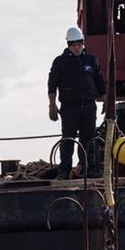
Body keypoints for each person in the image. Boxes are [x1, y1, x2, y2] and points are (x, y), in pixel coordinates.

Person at [47, 26, 106, 179]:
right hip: (69, 108)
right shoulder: (60, 62)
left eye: (79, 44)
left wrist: (105, 100)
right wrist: (52, 104)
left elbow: (99, 82)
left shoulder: (91, 61)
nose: (77, 47)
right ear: (68, 45)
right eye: (73, 45)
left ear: (83, 43)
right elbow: (52, 84)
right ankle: (64, 170)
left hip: (88, 106)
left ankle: (90, 168)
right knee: (68, 139)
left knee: (89, 139)